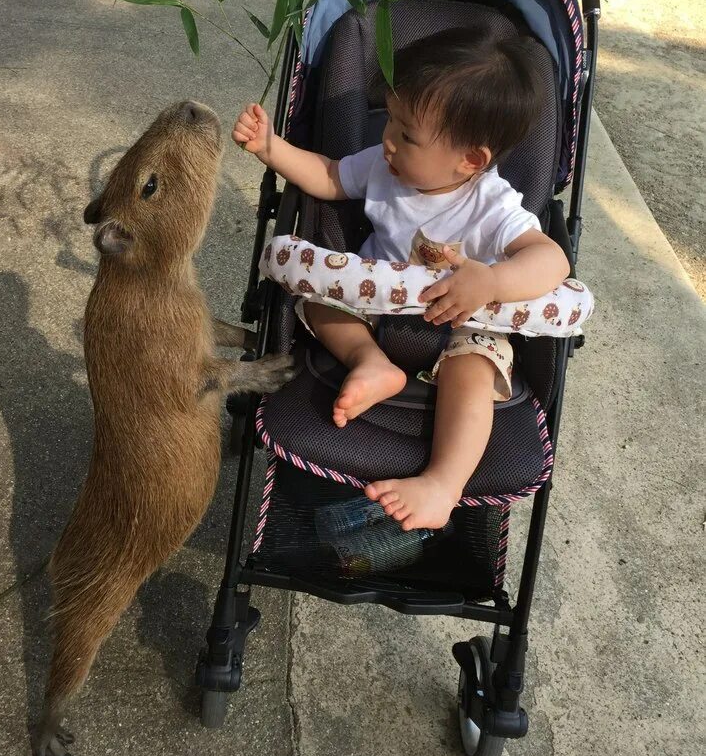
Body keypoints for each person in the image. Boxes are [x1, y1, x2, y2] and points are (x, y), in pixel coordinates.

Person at [232, 27, 569, 531]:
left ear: (471, 159)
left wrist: (492, 283)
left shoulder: (492, 205)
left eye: (406, 133)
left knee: (477, 367)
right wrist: (271, 148)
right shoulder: (382, 164)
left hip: (460, 322)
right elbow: (328, 175)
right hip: (375, 307)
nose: (387, 139)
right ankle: (372, 364)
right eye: (389, 118)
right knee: (318, 304)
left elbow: (551, 260)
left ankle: (443, 481)